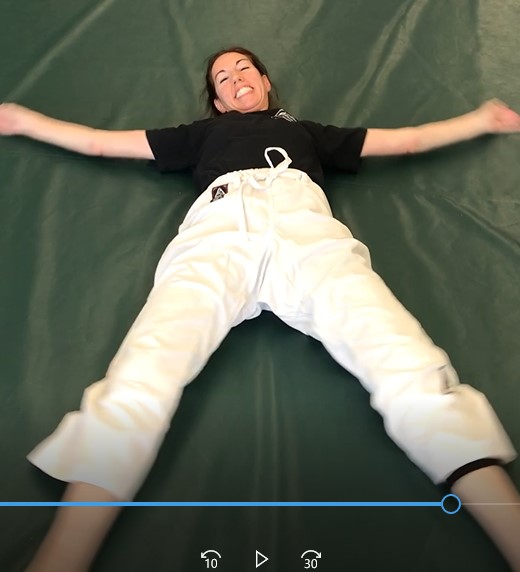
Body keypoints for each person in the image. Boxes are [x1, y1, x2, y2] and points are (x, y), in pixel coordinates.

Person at [1, 46, 520, 572]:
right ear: (218, 102)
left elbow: (406, 140)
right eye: (221, 78)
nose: (234, 78)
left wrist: (479, 121)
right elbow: (98, 141)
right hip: (217, 235)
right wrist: (24, 121)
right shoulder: (202, 134)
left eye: (243, 68)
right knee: (143, 373)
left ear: (265, 81)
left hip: (308, 236)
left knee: (405, 362)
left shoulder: (305, 131)